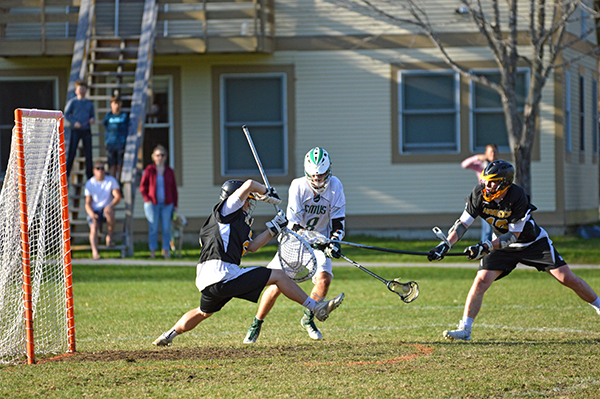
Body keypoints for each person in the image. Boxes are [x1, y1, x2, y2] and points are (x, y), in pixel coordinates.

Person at [152, 179, 344, 347]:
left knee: (203, 312)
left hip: (206, 279)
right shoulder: (227, 209)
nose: (250, 204)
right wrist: (266, 192)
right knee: (278, 275)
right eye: (249, 200)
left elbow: (252, 247)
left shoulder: (229, 223)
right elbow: (250, 184)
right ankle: (315, 307)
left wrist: (274, 228)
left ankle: (168, 335)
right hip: (223, 273)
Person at [427, 160, 600, 341]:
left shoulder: (517, 196)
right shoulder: (479, 193)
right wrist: (445, 245)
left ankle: (599, 306)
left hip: (532, 243)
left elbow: (513, 235)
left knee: (567, 278)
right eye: (486, 180)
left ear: (504, 182)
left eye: (492, 181)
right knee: (481, 280)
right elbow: (462, 224)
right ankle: (465, 329)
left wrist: (485, 247)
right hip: (502, 246)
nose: (487, 185)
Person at [243, 147, 346, 344]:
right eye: (314, 176)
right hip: (295, 242)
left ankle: (308, 318)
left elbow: (339, 222)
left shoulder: (335, 186)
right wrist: (318, 240)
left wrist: (334, 241)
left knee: (324, 280)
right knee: (275, 286)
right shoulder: (298, 186)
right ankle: (256, 323)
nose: (318, 181)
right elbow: (293, 224)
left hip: (321, 244)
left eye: (322, 175)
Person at [139, 145, 178, 259]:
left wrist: (175, 205)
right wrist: (147, 199)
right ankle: (152, 252)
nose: (160, 157)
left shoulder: (169, 171)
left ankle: (166, 251)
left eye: (162, 155)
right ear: (153, 157)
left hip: (167, 204)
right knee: (153, 228)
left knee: (166, 228)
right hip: (152, 204)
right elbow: (142, 187)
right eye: (157, 155)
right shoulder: (149, 169)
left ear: (165, 157)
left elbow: (174, 189)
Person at [84, 160, 122, 260]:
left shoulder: (111, 180)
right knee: (93, 227)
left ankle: (109, 237)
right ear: (94, 171)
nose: (100, 171)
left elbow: (117, 196)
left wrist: (110, 205)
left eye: (102, 168)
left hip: (106, 209)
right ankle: (95, 251)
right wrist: (92, 214)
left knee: (109, 212)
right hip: (95, 209)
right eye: (98, 168)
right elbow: (87, 203)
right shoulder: (90, 183)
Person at [461, 144, 499, 242]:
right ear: (486, 153)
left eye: (494, 151)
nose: (493, 154)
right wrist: (477, 157)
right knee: (487, 228)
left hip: (498, 199)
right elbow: (464, 164)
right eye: (490, 152)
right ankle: (484, 249)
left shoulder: (499, 165)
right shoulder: (481, 166)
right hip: (485, 199)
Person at [65, 80, 95, 180]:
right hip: (76, 130)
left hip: (86, 130)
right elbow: (67, 114)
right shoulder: (73, 102)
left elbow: (92, 116)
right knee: (72, 152)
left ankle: (90, 176)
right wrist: (74, 122)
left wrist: (92, 119)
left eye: (83, 89)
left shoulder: (89, 104)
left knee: (89, 154)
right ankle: (67, 175)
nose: (82, 91)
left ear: (86, 90)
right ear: (76, 90)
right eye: (80, 89)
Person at [102, 95, 129, 180]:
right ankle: (112, 183)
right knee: (112, 165)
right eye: (114, 103)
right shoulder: (108, 116)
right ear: (111, 104)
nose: (116, 106)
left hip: (121, 143)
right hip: (111, 143)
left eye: (118, 103)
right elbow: (105, 126)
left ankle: (119, 183)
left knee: (120, 165)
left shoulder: (124, 116)